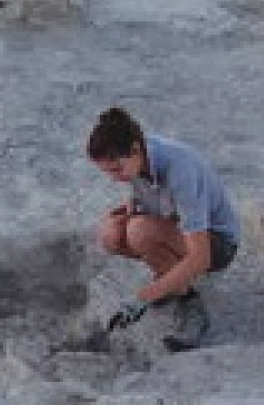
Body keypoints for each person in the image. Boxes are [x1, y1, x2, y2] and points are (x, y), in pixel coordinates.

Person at [86, 106, 240, 350]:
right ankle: (170, 282)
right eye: (107, 172)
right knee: (110, 234)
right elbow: (150, 199)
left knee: (140, 232)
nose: (114, 178)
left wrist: (143, 297)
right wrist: (123, 213)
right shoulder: (139, 158)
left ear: (136, 150)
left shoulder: (181, 170)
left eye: (116, 170)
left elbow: (201, 257)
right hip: (176, 227)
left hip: (217, 243)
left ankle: (190, 305)